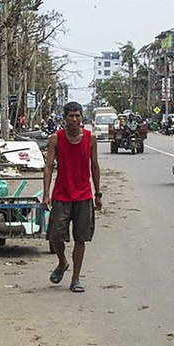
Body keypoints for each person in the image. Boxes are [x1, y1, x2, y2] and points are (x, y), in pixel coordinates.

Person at [43, 102, 102, 293]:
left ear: (82, 117)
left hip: (83, 194)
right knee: (55, 235)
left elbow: (94, 166)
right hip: (62, 193)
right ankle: (62, 262)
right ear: (65, 118)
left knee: (80, 238)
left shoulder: (90, 138)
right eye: (71, 116)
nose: (75, 119)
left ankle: (76, 279)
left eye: (78, 116)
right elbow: (49, 166)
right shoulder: (56, 138)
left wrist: (97, 193)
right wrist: (46, 193)